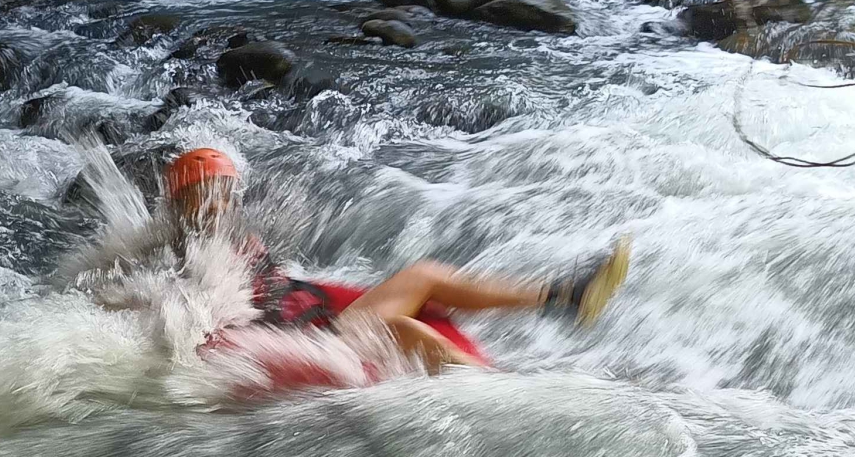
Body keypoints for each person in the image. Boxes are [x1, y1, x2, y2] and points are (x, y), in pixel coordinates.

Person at [165, 147, 631, 374]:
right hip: (304, 343)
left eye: (224, 193)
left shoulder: (233, 238)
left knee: (425, 273)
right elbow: (203, 324)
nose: (218, 204)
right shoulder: (186, 255)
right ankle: (509, 390)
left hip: (322, 322)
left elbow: (276, 288)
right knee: (402, 330)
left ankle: (566, 295)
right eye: (205, 195)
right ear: (182, 203)